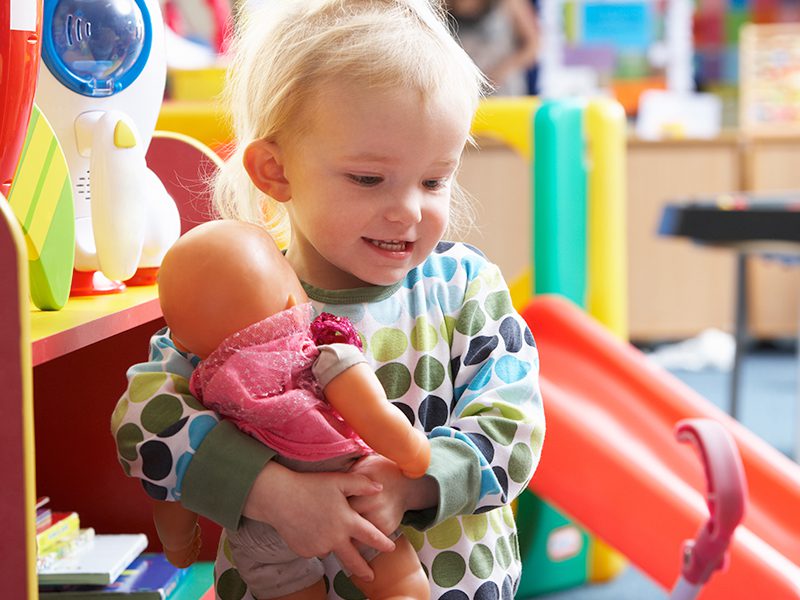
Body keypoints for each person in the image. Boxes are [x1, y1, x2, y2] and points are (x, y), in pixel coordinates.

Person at [111, 1, 545, 598]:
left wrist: (412, 486)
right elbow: (142, 423)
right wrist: (274, 493)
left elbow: (514, 425)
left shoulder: (465, 288)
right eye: (369, 179)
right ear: (275, 171)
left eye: (434, 180)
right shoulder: (242, 291)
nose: (409, 210)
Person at [150, 219, 431, 599]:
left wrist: (178, 542)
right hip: (344, 483)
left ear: (181, 339)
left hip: (257, 526)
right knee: (398, 580)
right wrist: (411, 451)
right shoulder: (308, 353)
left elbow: (177, 485)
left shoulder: (199, 392)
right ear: (292, 300)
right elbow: (368, 407)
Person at [445, 0, 540, 96]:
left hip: (504, 95)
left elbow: (533, 45)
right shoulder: (440, 4)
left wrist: (501, 71)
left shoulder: (510, 3)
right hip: (458, 92)